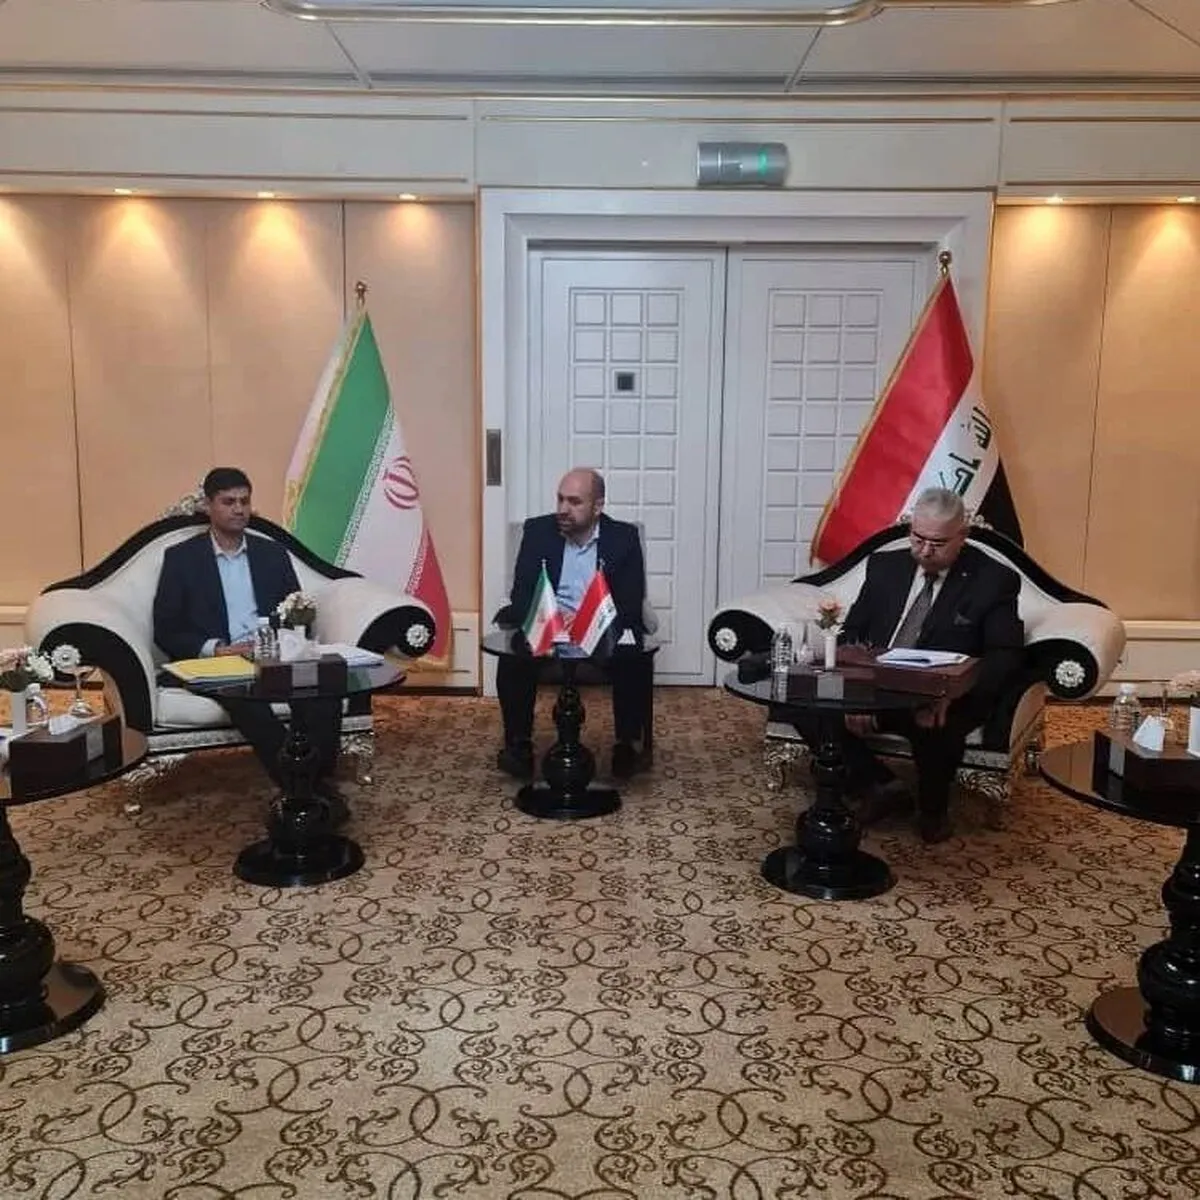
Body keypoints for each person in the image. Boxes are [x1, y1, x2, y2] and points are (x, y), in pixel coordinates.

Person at [804, 486, 1024, 844]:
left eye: (937, 544)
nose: (924, 551)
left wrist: (949, 695)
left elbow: (1004, 654)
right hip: (877, 684)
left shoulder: (993, 580)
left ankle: (933, 811)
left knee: (935, 727)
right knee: (804, 704)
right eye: (917, 539)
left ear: (962, 536)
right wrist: (856, 691)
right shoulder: (885, 567)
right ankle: (878, 784)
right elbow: (853, 634)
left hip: (943, 694)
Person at [152, 466, 343, 803]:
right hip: (219, 662)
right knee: (248, 704)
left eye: (244, 501)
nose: (239, 509)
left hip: (273, 655)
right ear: (208, 506)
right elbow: (167, 628)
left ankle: (316, 781)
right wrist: (217, 649)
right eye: (228, 502)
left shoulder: (271, 553)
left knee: (324, 695)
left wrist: (282, 643)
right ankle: (305, 790)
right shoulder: (182, 559)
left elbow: (298, 611)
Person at [495, 467, 650, 780]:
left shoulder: (623, 539)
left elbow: (630, 603)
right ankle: (519, 744)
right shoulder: (538, 532)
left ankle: (627, 744)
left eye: (575, 502)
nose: (563, 509)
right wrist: (550, 617)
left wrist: (586, 620)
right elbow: (521, 594)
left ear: (598, 506)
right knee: (512, 660)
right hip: (549, 627)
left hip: (598, 630)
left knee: (634, 660)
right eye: (560, 499)